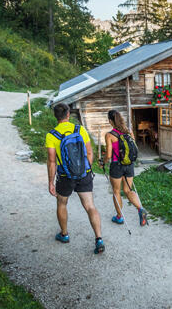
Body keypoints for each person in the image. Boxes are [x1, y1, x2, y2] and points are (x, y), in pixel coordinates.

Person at [45, 102, 105, 254]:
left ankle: (64, 234)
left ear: (55, 116)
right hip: (83, 174)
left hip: (65, 176)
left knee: (62, 203)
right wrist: (84, 170)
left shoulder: (52, 135)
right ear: (68, 114)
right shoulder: (80, 130)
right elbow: (89, 153)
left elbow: (52, 161)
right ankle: (99, 239)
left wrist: (51, 182)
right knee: (90, 206)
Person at [102, 109, 148, 226]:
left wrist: (103, 162)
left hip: (117, 166)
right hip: (129, 165)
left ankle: (119, 217)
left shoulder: (109, 135)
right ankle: (140, 209)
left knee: (116, 191)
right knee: (128, 190)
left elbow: (108, 155)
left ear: (110, 121)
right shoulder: (129, 131)